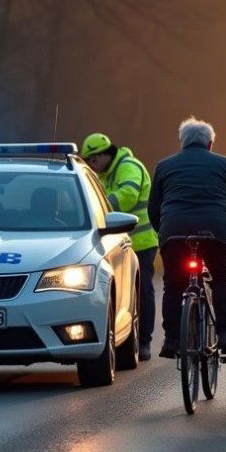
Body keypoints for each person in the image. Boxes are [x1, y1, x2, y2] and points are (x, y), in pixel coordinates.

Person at [148, 116, 226, 359]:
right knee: (222, 277)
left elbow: (153, 208)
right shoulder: (225, 164)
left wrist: (165, 234)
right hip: (215, 232)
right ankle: (225, 334)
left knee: (174, 284)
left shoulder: (164, 167)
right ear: (210, 144)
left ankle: (172, 340)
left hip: (175, 232)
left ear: (182, 143)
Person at [81, 133, 159, 361]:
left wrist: (99, 206)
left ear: (105, 154)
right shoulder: (103, 174)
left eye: (93, 160)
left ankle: (143, 342)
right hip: (114, 243)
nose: (91, 165)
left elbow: (128, 195)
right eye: (88, 162)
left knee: (142, 290)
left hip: (141, 241)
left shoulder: (128, 167)